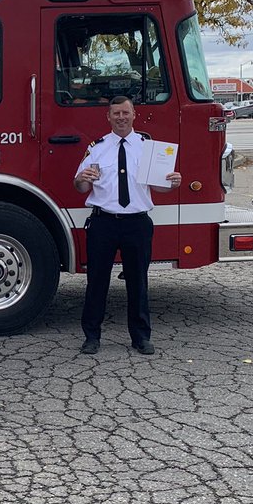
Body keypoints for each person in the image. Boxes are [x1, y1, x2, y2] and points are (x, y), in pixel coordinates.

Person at [73, 96, 182, 356]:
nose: (121, 117)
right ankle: (91, 337)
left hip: (137, 224)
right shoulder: (96, 148)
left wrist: (172, 182)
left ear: (134, 115)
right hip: (103, 223)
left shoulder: (148, 148)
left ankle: (141, 337)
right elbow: (81, 186)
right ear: (108, 117)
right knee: (96, 282)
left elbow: (158, 186)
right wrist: (81, 179)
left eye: (125, 112)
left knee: (138, 282)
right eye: (115, 113)